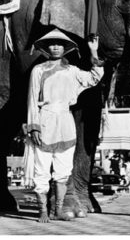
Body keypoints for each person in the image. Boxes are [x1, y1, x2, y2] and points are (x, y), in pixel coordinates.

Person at [26, 29, 103, 222]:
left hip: (66, 123)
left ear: (65, 48)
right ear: (46, 48)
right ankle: (43, 211)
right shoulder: (39, 70)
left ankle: (58, 210)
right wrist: (33, 126)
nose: (55, 47)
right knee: (41, 170)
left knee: (63, 171)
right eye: (51, 44)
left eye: (59, 44)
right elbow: (32, 99)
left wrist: (93, 52)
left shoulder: (72, 71)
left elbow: (95, 77)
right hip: (44, 120)